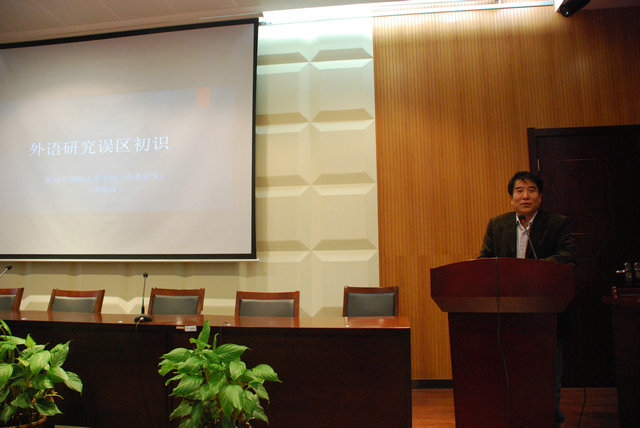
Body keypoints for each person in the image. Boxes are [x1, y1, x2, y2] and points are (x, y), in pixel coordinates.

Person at [478, 170, 577, 428]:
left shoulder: (557, 224)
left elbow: (568, 257)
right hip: (507, 315)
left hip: (546, 314)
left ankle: (550, 422)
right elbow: (484, 261)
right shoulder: (497, 225)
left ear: (540, 197)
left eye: (531, 190)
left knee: (547, 378)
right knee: (511, 377)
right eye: (519, 191)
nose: (525, 196)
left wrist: (532, 271)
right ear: (511, 198)